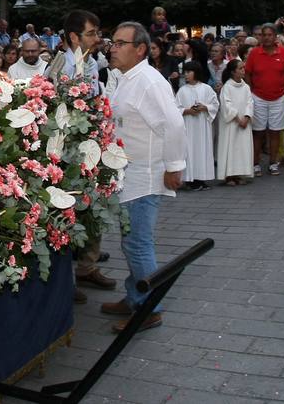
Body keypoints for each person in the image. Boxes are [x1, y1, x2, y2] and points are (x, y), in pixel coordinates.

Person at [100, 21, 184, 333]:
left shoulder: (148, 81)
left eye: (121, 43)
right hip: (128, 173)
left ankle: (150, 308)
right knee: (130, 241)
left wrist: (175, 166)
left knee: (138, 244)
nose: (113, 48)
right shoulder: (127, 78)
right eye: (113, 42)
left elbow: (173, 124)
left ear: (140, 49)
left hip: (144, 176)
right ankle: (135, 295)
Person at [46, 10, 114, 297]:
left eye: (97, 33)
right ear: (74, 37)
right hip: (67, 152)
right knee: (68, 211)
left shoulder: (92, 62)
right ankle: (66, 281)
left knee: (93, 206)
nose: (96, 39)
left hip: (91, 145)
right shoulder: (61, 65)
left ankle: (87, 266)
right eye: (90, 33)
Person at [243, 23, 284, 176]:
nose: (267, 37)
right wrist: (252, 92)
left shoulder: (283, 52)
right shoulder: (254, 53)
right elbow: (248, 74)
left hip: (278, 98)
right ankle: (256, 163)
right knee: (258, 132)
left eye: (270, 35)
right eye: (264, 35)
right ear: (261, 37)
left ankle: (273, 163)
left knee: (275, 132)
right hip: (258, 97)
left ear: (275, 36)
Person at [176, 63, 217, 190]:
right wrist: (188, 111)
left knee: (202, 150)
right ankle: (190, 179)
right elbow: (175, 108)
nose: (186, 75)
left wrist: (205, 107)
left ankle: (201, 178)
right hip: (189, 125)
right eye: (185, 72)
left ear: (196, 73)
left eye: (189, 72)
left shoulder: (206, 88)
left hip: (202, 125)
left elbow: (215, 104)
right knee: (190, 150)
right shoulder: (182, 90)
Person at [216, 59, 254, 185]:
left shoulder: (246, 87)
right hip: (232, 124)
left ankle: (238, 173)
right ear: (233, 72)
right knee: (230, 147)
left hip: (244, 122)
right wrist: (238, 119)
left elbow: (250, 102)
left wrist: (247, 117)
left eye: (244, 68)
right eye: (240, 68)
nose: (243, 70)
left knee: (241, 148)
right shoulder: (227, 87)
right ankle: (229, 175)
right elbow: (227, 105)